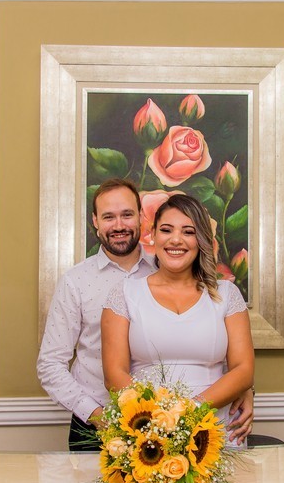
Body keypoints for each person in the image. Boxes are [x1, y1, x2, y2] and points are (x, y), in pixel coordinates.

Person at [37, 179, 253, 451]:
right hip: (102, 418)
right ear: (95, 221)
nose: (118, 225)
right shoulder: (76, 281)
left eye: (127, 214)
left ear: (142, 218)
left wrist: (243, 388)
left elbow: (228, 356)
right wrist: (97, 415)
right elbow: (50, 365)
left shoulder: (171, 262)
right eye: (108, 217)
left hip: (200, 420)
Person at [101, 194, 255, 448]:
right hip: (147, 431)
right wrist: (157, 419)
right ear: (153, 235)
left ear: (201, 239)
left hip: (216, 428)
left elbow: (243, 370)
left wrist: (185, 414)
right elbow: (114, 374)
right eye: (166, 230)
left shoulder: (227, 294)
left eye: (188, 231)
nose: (175, 239)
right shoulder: (125, 293)